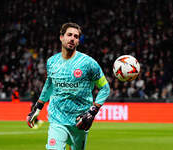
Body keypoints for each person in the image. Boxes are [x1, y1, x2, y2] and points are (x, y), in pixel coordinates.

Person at [26, 22, 110, 150]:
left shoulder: (89, 63)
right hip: (57, 119)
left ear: (78, 41)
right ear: (61, 37)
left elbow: (105, 88)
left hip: (80, 121)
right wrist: (38, 107)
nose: (72, 38)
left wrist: (92, 112)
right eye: (69, 35)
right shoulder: (52, 62)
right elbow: (49, 84)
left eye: (76, 37)